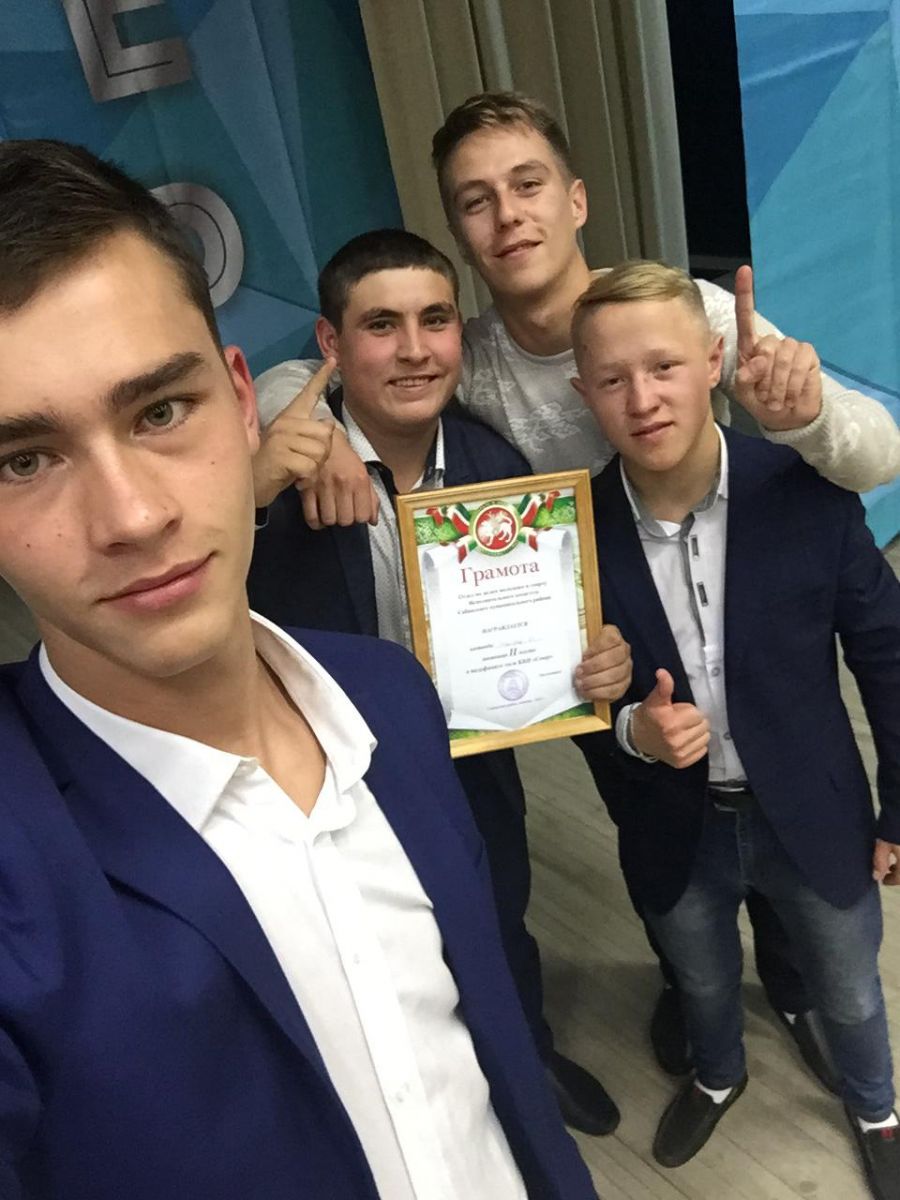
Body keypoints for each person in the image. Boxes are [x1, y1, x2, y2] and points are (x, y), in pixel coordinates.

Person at [252, 90, 896, 1083]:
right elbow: (334, 365)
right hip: (589, 643)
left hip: (729, 600)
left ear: (577, 199)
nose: (509, 216)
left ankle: (794, 981)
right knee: (656, 828)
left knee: (781, 801)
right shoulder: (466, 357)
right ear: (459, 229)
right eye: (477, 200)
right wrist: (316, 426)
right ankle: (692, 980)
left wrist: (807, 415)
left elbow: (878, 455)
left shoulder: (688, 312)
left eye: (529, 184)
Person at [0, 139, 600, 1200]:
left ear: (239, 401)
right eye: (24, 459)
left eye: (160, 411)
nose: (132, 516)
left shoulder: (387, 699)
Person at [247, 227, 631, 1136]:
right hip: (333, 770)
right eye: (382, 325)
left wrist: (591, 661)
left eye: (436, 320)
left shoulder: (499, 468)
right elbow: (211, 581)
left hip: (472, 752)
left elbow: (554, 614)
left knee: (499, 906)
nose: (415, 349)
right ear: (331, 343)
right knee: (374, 943)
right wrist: (254, 489)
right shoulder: (277, 470)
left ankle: (526, 1060)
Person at [572, 260, 900, 1197]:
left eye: (665, 366)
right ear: (583, 393)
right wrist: (629, 729)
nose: (643, 399)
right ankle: (718, 1075)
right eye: (612, 378)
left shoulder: (806, 491)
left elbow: (887, 653)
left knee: (849, 989)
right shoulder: (569, 532)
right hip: (675, 825)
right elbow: (566, 702)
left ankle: (877, 1105)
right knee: (703, 982)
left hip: (814, 811)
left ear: (712, 362)